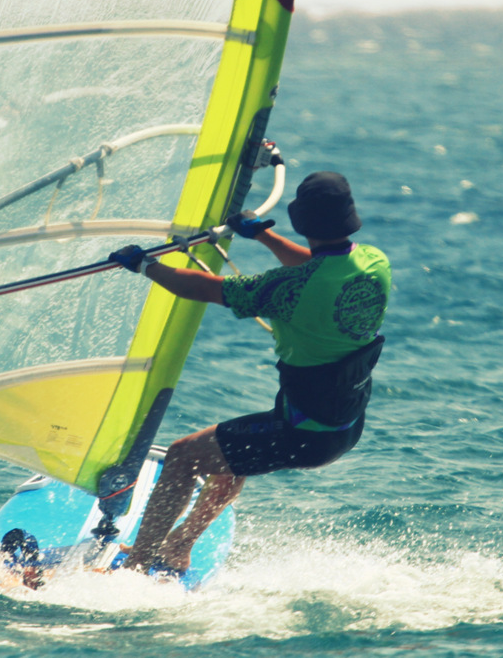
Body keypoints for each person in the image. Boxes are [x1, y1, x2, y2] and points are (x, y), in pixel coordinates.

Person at [106, 170, 391, 575]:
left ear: (302, 220)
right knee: (229, 457)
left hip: (302, 432)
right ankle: (177, 548)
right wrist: (262, 236)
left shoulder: (289, 289)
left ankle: (135, 566)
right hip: (344, 425)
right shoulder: (374, 263)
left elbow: (204, 288)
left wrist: (145, 265)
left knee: (183, 456)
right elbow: (320, 268)